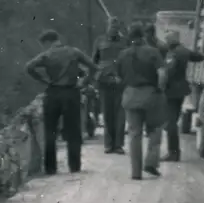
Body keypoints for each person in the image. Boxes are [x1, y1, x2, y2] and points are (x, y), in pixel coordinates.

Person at [25, 30, 96, 175]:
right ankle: (74, 166)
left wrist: (43, 80)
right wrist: (84, 81)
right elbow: (93, 66)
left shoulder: (47, 55)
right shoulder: (74, 52)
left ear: (47, 42)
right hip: (71, 92)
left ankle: (51, 168)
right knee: (74, 131)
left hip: (53, 93)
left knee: (50, 131)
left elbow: (29, 67)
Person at [116, 22, 166, 179]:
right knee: (155, 130)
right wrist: (160, 89)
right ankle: (151, 162)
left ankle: (135, 172)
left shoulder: (122, 54)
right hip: (150, 94)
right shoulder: (153, 52)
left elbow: (118, 77)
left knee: (134, 134)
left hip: (130, 95)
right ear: (143, 36)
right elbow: (162, 73)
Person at [161, 30, 204, 162]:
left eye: (167, 40)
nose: (166, 42)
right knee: (172, 121)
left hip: (171, 92)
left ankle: (173, 152)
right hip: (181, 91)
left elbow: (169, 72)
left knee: (170, 123)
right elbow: (198, 57)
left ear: (171, 41)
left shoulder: (174, 53)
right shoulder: (184, 51)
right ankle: (174, 152)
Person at [92, 17, 127, 155]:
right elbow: (94, 61)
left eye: (116, 27)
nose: (113, 29)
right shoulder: (99, 41)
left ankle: (118, 145)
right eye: (111, 26)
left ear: (119, 29)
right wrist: (94, 79)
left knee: (120, 115)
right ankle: (108, 144)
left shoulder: (125, 42)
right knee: (107, 113)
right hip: (104, 81)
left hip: (121, 81)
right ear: (107, 27)